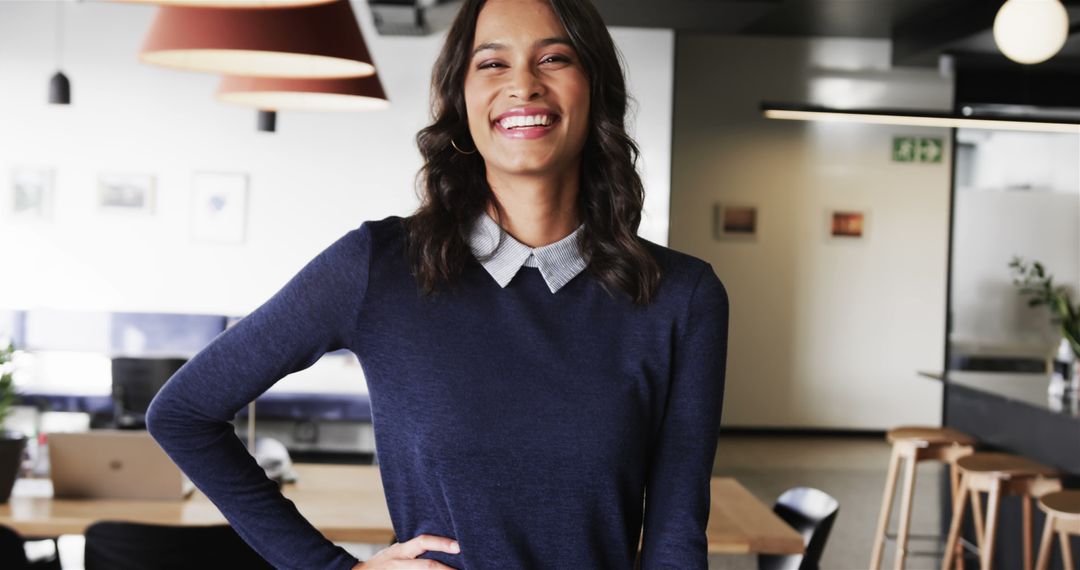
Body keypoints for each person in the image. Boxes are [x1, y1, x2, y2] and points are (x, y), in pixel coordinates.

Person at [145, 0, 729, 568]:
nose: (522, 84)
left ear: (595, 88)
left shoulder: (682, 297)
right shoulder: (378, 266)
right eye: (492, 63)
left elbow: (676, 539)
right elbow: (183, 413)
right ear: (461, 99)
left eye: (555, 58)